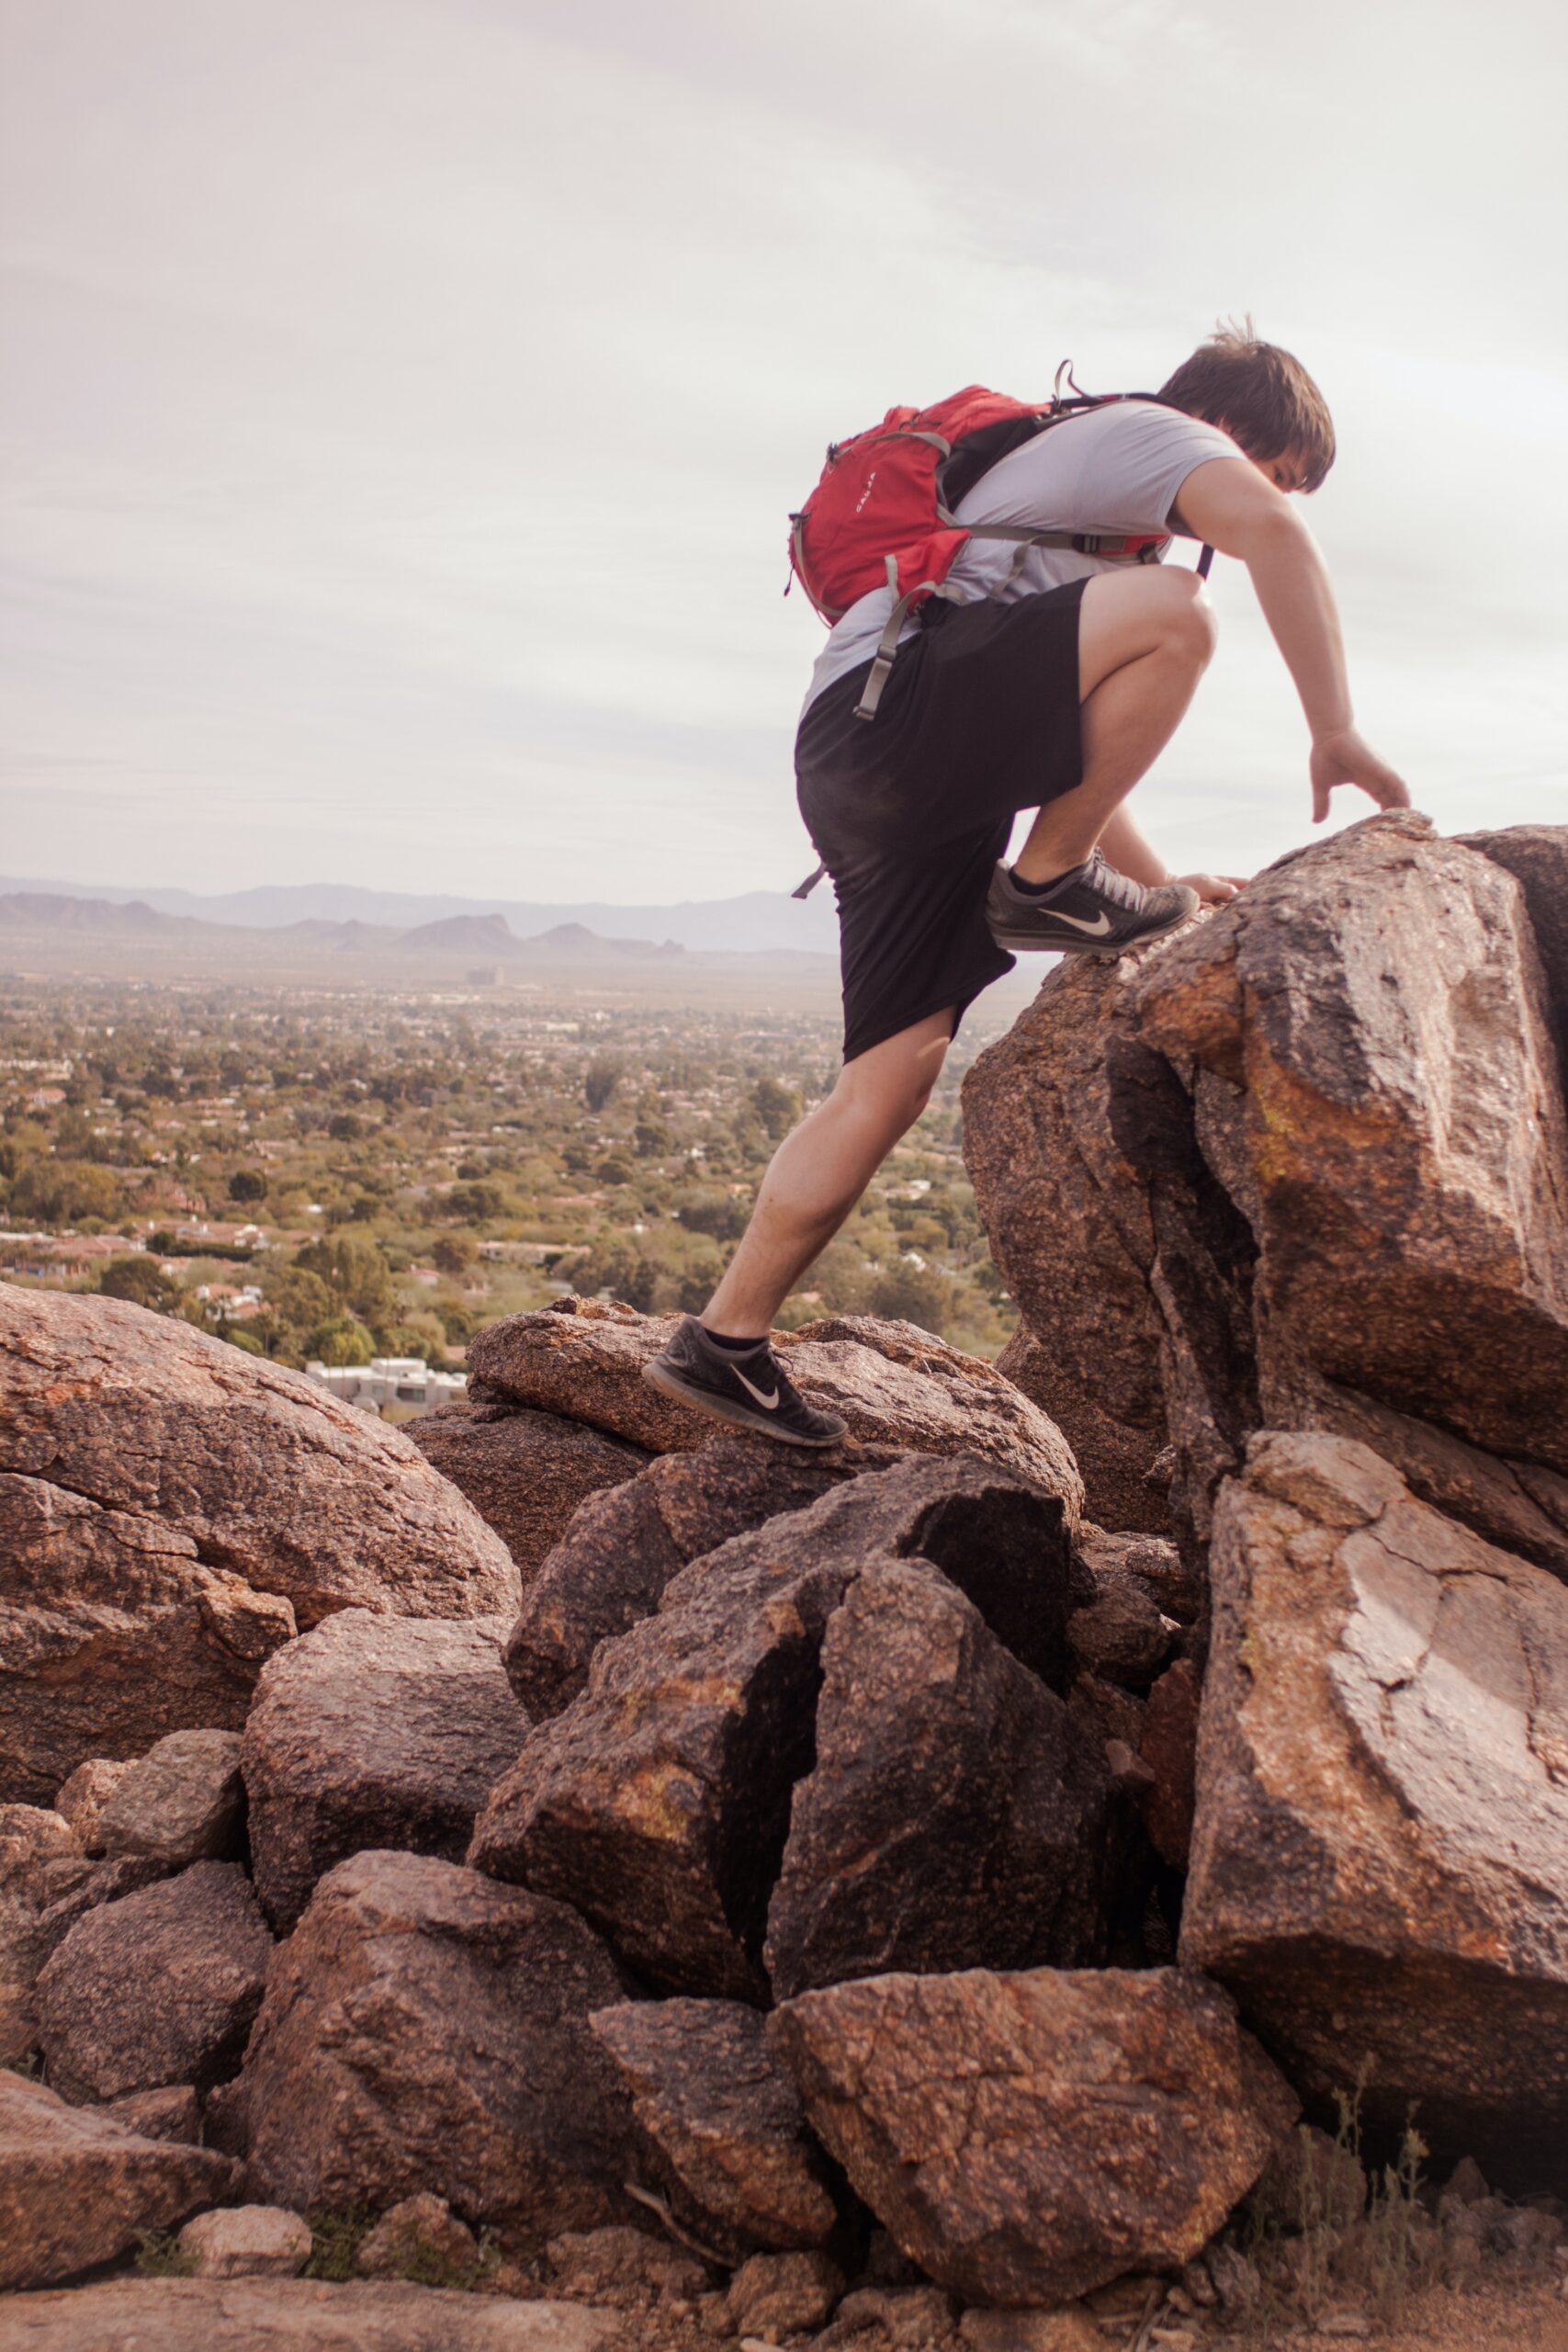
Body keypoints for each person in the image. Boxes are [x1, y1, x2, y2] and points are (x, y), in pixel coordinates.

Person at [645, 323, 1410, 1443]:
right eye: (1274, 470)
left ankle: (723, 1342)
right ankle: (1049, 881)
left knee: (890, 1079)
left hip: (871, 765)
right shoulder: (1156, 436)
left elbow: (1086, 743)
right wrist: (1334, 729)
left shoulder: (1093, 537)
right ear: (1237, 432)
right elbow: (1271, 538)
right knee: (1183, 616)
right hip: (904, 723)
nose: (1261, 495)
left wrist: (1169, 891)